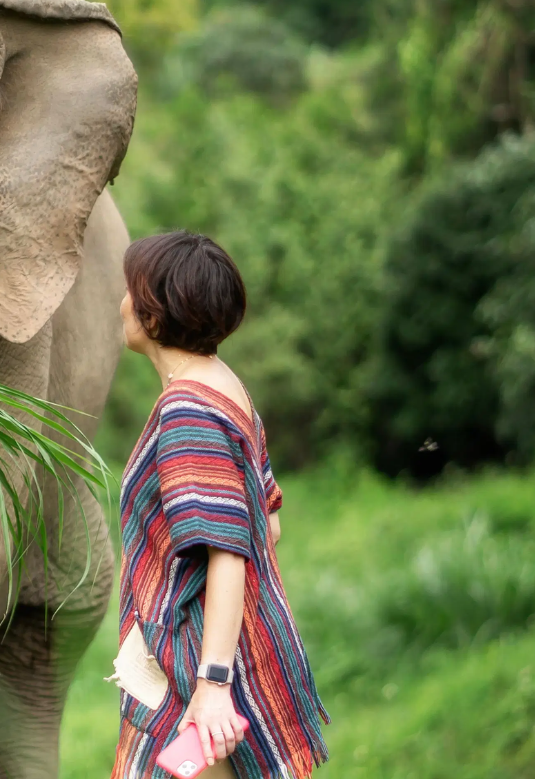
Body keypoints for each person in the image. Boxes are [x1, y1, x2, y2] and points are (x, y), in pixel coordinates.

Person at [110, 232, 328, 779]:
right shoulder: (225, 386)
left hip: (197, 681)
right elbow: (267, 525)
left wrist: (211, 687)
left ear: (154, 315)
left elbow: (226, 550)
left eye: (129, 291)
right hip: (236, 653)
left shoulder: (188, 410)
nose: (122, 303)